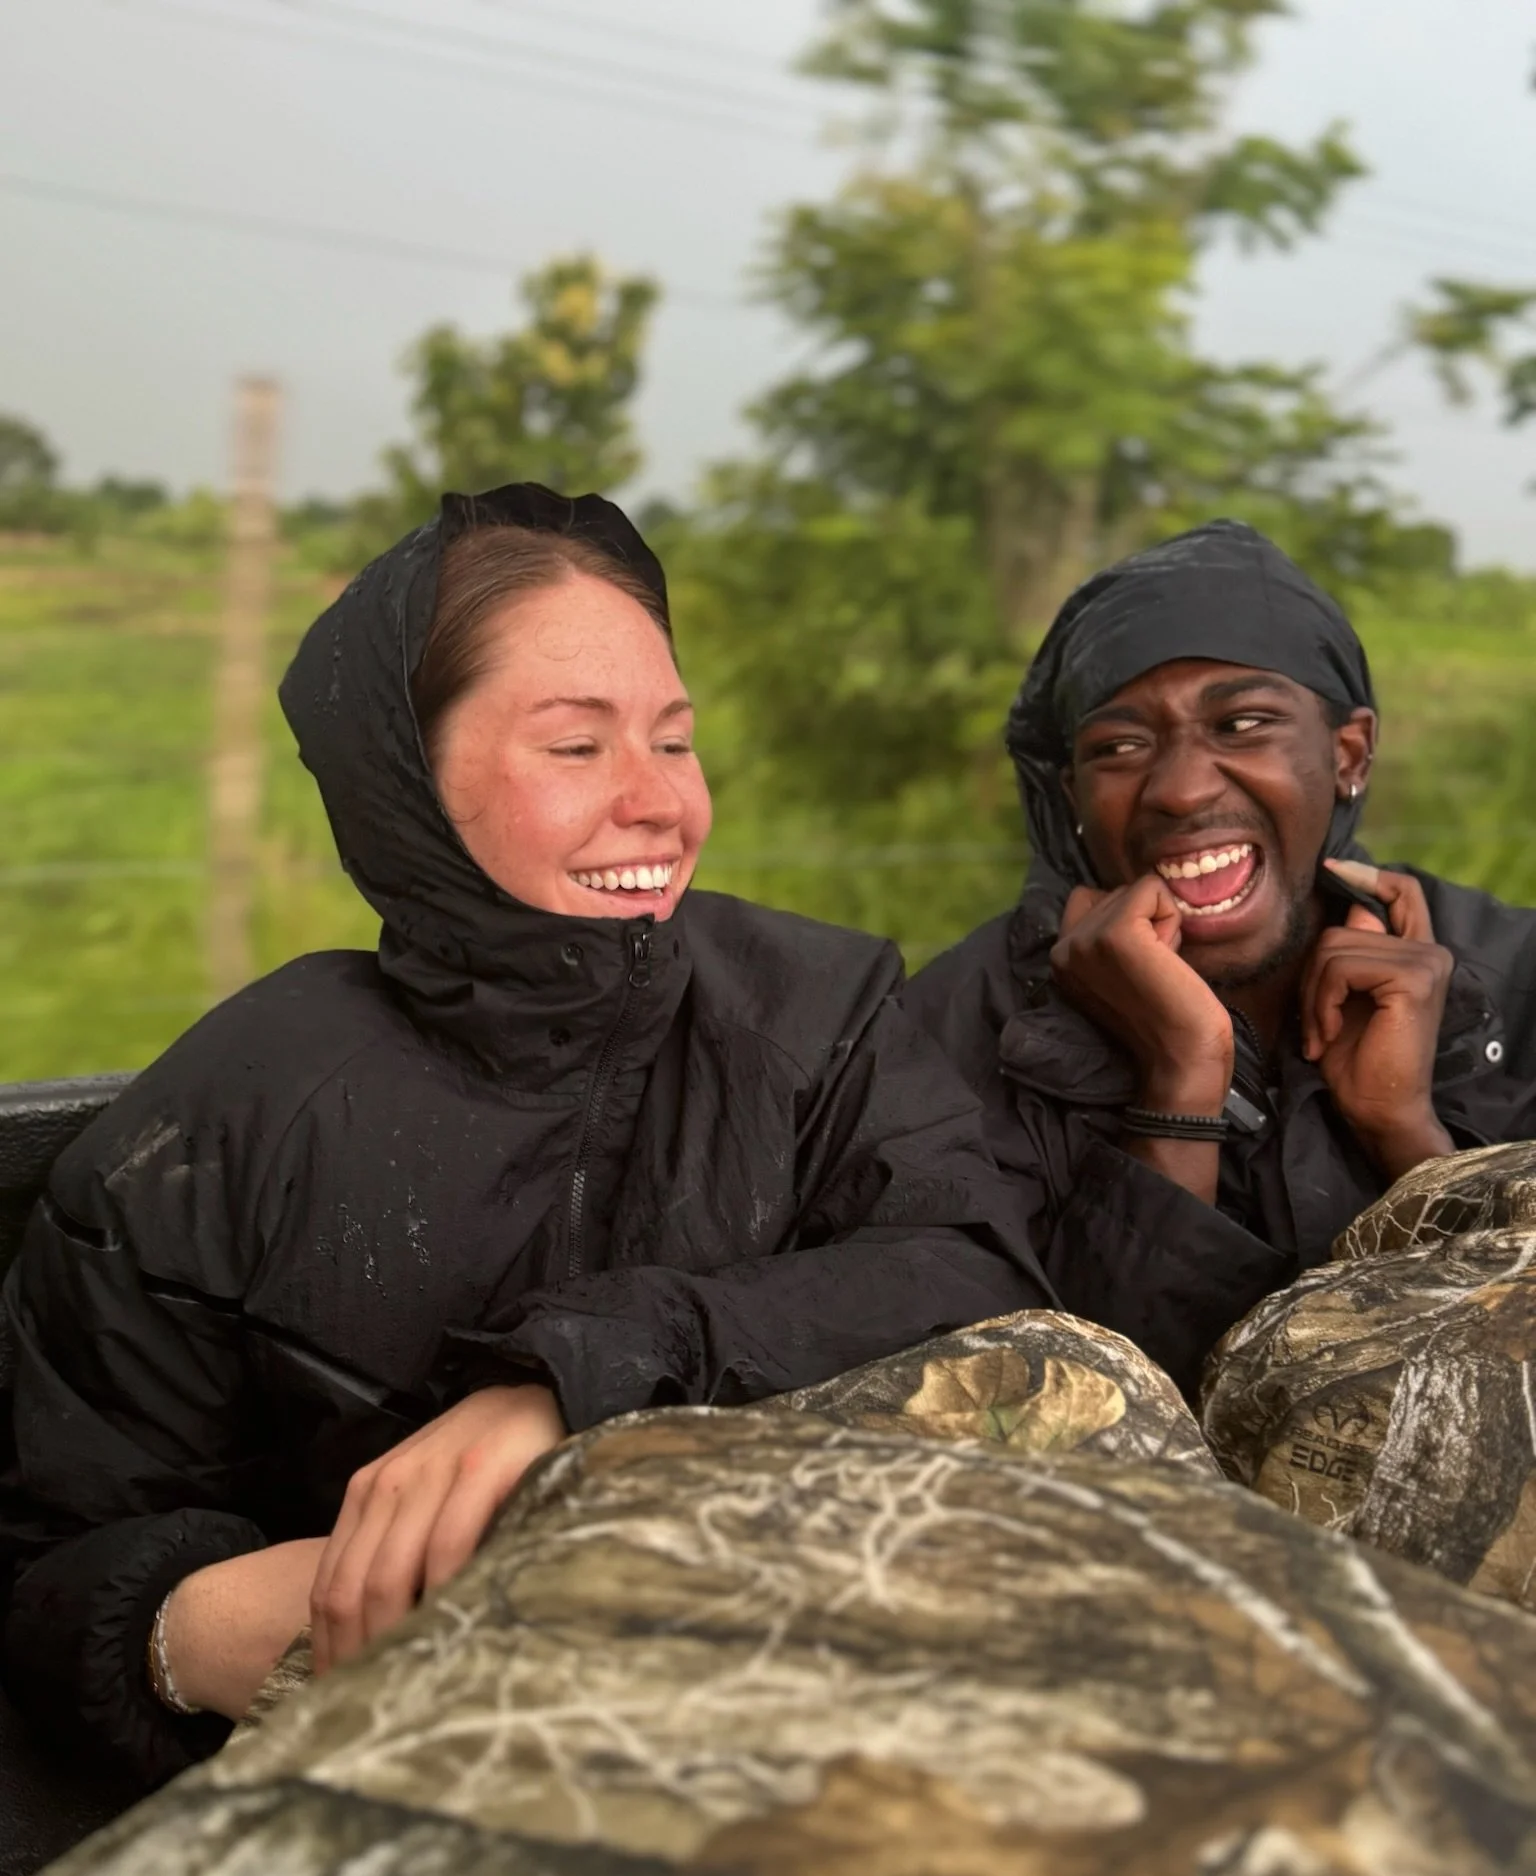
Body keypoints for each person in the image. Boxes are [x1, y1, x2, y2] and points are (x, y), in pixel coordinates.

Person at [0, 483, 1047, 1788]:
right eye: (575, 747)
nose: (658, 802)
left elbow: (984, 1274)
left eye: (674, 739)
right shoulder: (231, 1117)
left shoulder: (816, 1017)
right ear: (407, 783)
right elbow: (48, 1558)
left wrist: (577, 1379)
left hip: (837, 1707)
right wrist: (192, 1624)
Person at [908, 519, 1536, 1398]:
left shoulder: (1512, 979)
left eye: (1243, 724)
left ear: (1348, 753)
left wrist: (1407, 1136)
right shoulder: (957, 1029)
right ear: (1072, 798)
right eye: (1120, 748)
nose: (1181, 787)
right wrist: (1179, 1081)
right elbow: (1045, 1421)